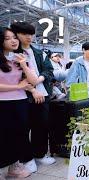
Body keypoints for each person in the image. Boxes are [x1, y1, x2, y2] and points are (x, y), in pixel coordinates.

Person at [11, 22, 55, 173]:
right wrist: (33, 89)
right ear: (16, 35)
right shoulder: (12, 54)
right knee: (23, 128)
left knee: (42, 125)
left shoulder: (39, 52)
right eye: (24, 34)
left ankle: (39, 154)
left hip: (44, 93)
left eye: (31, 34)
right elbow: (14, 77)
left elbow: (49, 70)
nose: (29, 37)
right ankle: (26, 158)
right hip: (23, 96)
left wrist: (40, 80)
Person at [0, 27, 43, 179]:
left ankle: (14, 166)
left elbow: (33, 80)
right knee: (4, 135)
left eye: (14, 37)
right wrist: (17, 86)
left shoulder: (19, 58)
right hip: (3, 103)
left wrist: (24, 64)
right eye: (7, 38)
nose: (13, 40)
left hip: (20, 102)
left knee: (20, 134)